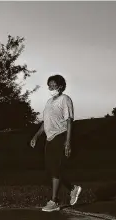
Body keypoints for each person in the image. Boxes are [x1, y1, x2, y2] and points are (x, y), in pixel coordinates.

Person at [30, 74, 82, 212]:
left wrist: (68, 142)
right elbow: (45, 122)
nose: (51, 88)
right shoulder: (48, 102)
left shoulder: (65, 99)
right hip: (49, 138)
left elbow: (69, 120)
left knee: (55, 169)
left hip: (61, 135)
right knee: (50, 170)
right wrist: (36, 136)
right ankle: (72, 188)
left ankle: (54, 201)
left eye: (54, 85)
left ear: (60, 86)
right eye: (49, 86)